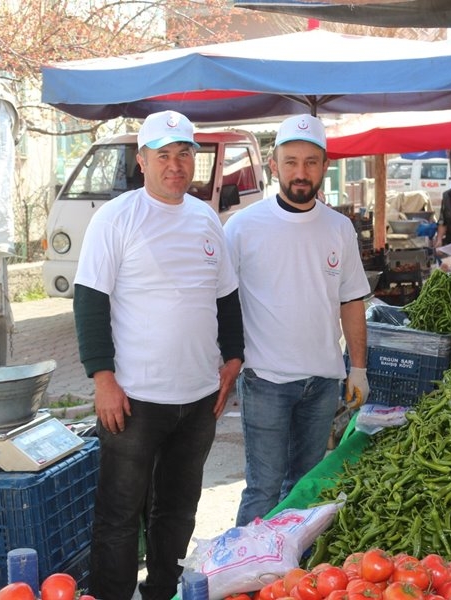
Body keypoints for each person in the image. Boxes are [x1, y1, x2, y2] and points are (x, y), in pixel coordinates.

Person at [73, 110, 245, 600]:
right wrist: (102, 378)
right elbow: (89, 300)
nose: (176, 165)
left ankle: (163, 592)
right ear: (142, 161)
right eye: (164, 155)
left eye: (184, 154)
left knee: (177, 509)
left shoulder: (206, 218)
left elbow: (226, 296)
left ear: (196, 161)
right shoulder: (115, 218)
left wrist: (233, 357)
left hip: (199, 399)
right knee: (120, 514)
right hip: (134, 399)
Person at [223, 114, 371, 527]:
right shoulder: (242, 227)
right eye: (290, 162)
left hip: (322, 382)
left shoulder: (339, 228)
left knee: (305, 485)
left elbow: (351, 300)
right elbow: (220, 301)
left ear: (326, 166)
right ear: (273, 165)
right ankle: (241, 580)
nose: (300, 172)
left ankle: (291, 580)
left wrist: (357, 368)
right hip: (265, 380)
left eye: (310, 162)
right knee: (263, 488)